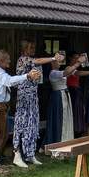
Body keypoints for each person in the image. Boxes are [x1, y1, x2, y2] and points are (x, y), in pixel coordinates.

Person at [0, 50, 41, 171]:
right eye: (7, 59)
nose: (9, 61)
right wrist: (27, 75)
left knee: (2, 134)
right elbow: (9, 81)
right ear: (2, 60)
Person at [13, 40, 61, 168]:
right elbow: (37, 61)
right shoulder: (22, 59)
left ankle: (30, 154)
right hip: (24, 96)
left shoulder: (33, 60)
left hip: (33, 96)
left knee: (33, 124)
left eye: (33, 47)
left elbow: (38, 75)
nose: (33, 49)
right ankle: (17, 154)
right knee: (22, 124)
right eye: (31, 47)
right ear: (24, 49)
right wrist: (52, 58)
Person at [45, 56, 83, 145]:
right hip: (58, 97)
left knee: (66, 117)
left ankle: (66, 140)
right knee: (59, 118)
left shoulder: (58, 72)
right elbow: (66, 72)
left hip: (64, 95)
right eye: (57, 61)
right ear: (52, 63)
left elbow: (70, 72)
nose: (60, 62)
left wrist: (74, 65)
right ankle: (58, 140)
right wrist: (78, 63)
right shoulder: (53, 73)